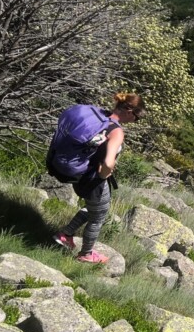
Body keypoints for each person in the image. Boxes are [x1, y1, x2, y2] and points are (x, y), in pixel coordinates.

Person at [52, 93, 144, 263]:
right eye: (137, 117)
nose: (135, 121)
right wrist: (103, 176)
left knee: (93, 208)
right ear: (130, 111)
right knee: (99, 216)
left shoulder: (100, 116)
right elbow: (108, 163)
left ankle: (66, 235)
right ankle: (86, 254)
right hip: (93, 179)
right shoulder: (116, 131)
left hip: (78, 174)